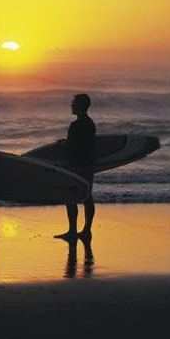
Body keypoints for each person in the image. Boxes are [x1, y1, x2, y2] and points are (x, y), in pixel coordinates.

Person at [54, 93, 96, 240]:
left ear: (79, 105)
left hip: (76, 165)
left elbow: (72, 147)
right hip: (89, 165)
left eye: (73, 103)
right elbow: (86, 144)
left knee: (70, 198)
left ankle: (72, 231)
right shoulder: (90, 123)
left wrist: (63, 144)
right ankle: (87, 230)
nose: (71, 105)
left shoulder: (75, 125)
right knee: (87, 197)